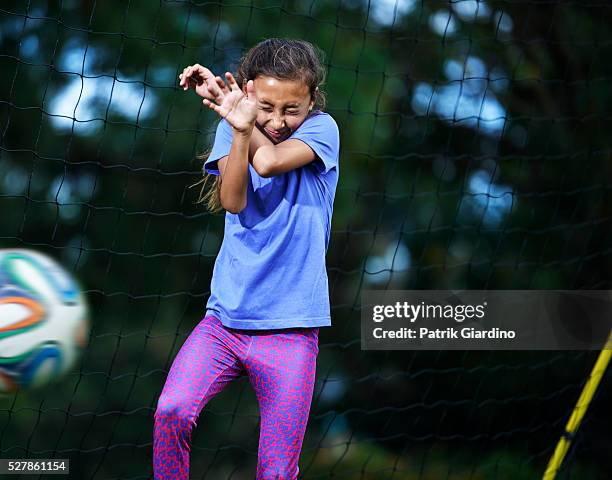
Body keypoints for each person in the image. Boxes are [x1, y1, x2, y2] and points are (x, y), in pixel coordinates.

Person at [153, 38, 340, 480]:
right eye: (267, 106)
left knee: (276, 472)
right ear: (251, 91)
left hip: (290, 332)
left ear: (311, 100)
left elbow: (272, 162)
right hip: (224, 323)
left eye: (291, 109)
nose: (277, 120)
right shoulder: (235, 127)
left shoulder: (322, 129)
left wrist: (233, 110)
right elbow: (233, 200)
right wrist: (236, 125)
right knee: (172, 410)